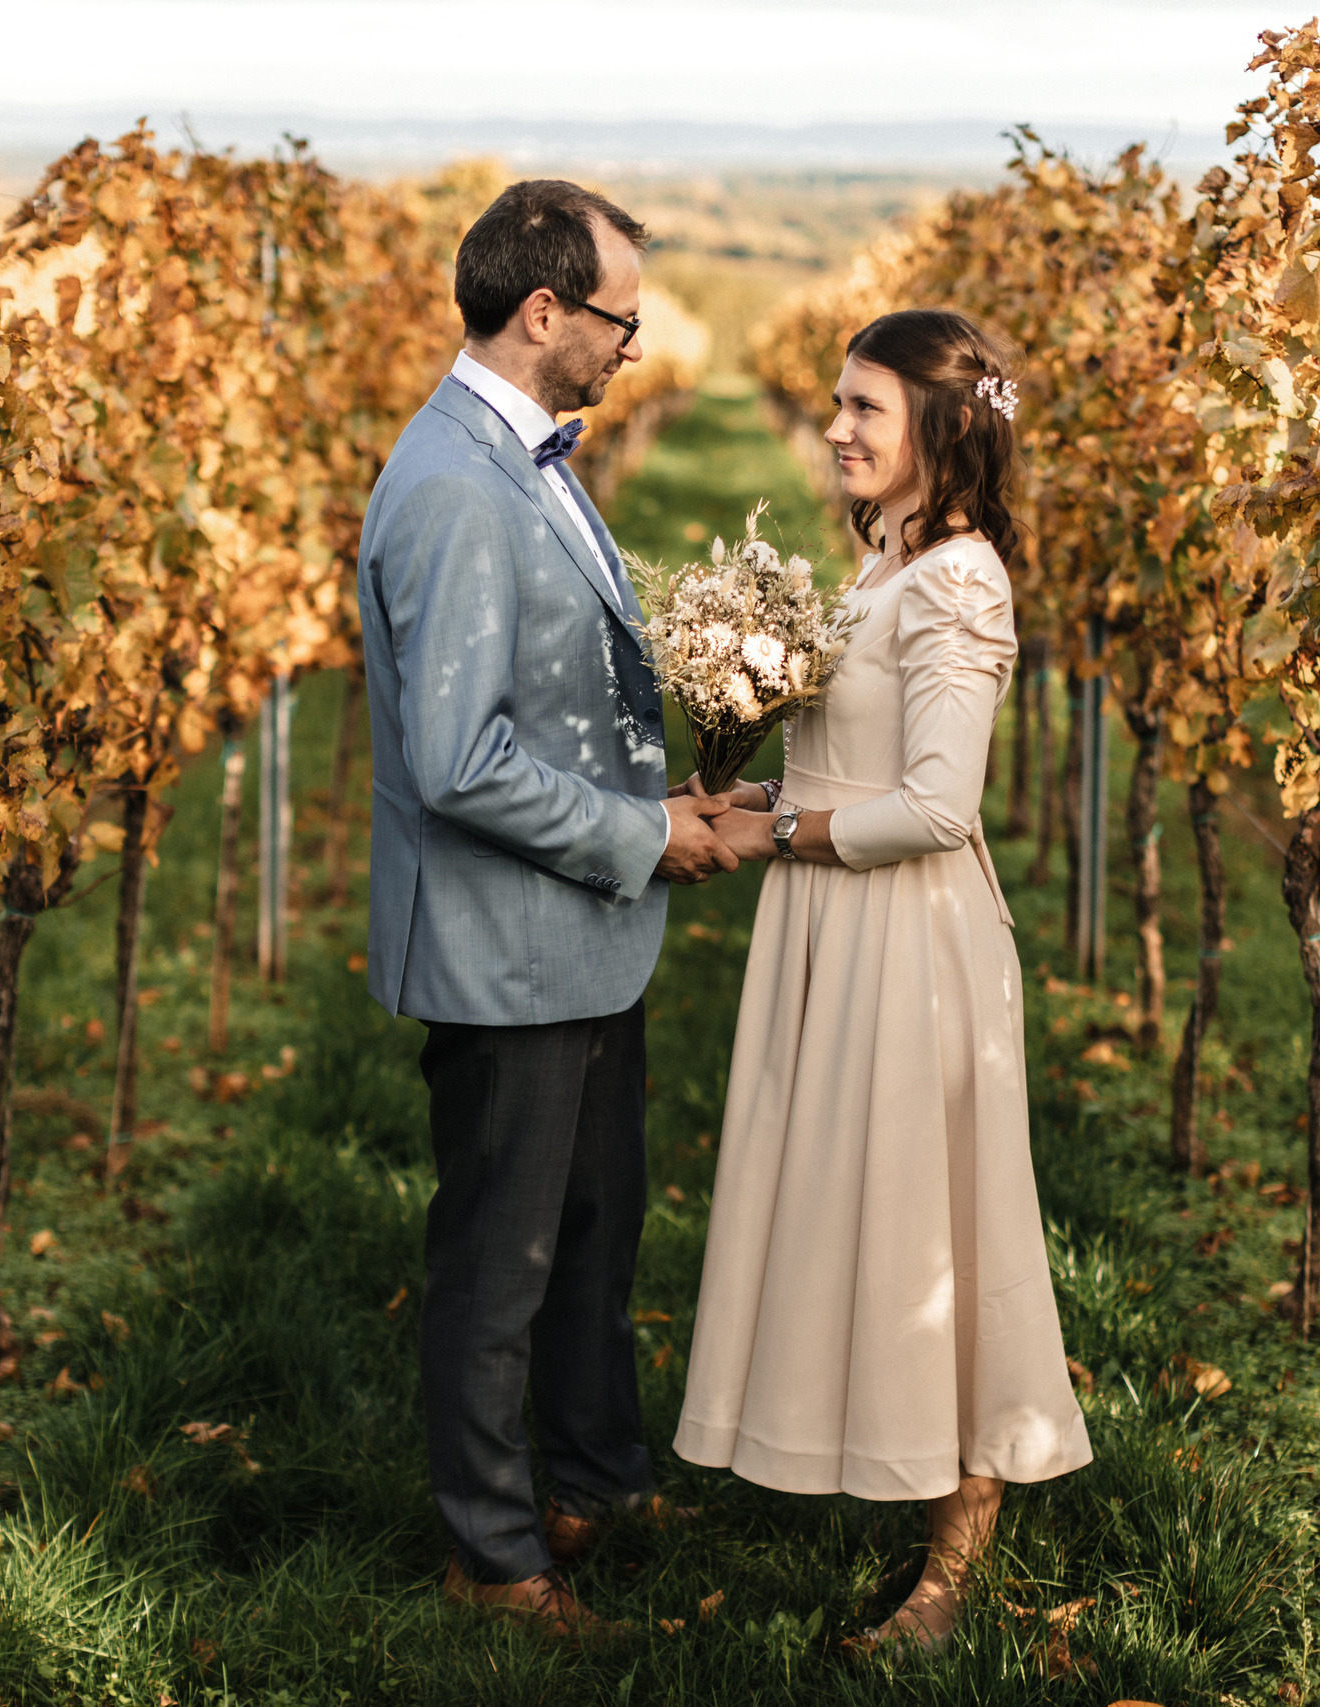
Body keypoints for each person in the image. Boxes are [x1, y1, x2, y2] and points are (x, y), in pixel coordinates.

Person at [674, 309, 1092, 1652]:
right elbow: (845, 767)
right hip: (834, 924)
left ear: (942, 430)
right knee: (852, 1206)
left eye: (868, 409)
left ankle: (954, 1563)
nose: (841, 429)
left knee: (934, 1222)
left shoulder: (962, 580)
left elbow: (935, 807)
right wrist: (741, 804)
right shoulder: (884, 564)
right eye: (838, 405)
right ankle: (854, 1440)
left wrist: (783, 835)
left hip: (905, 937)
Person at [358, 179, 737, 1638]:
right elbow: (458, 763)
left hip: (575, 940)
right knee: (499, 1262)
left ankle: (593, 1480)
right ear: (541, 313)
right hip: (506, 950)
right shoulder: (454, 483)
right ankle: (494, 1550)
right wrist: (649, 833)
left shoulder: (525, 455)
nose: (632, 341)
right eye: (617, 317)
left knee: (589, 1230)